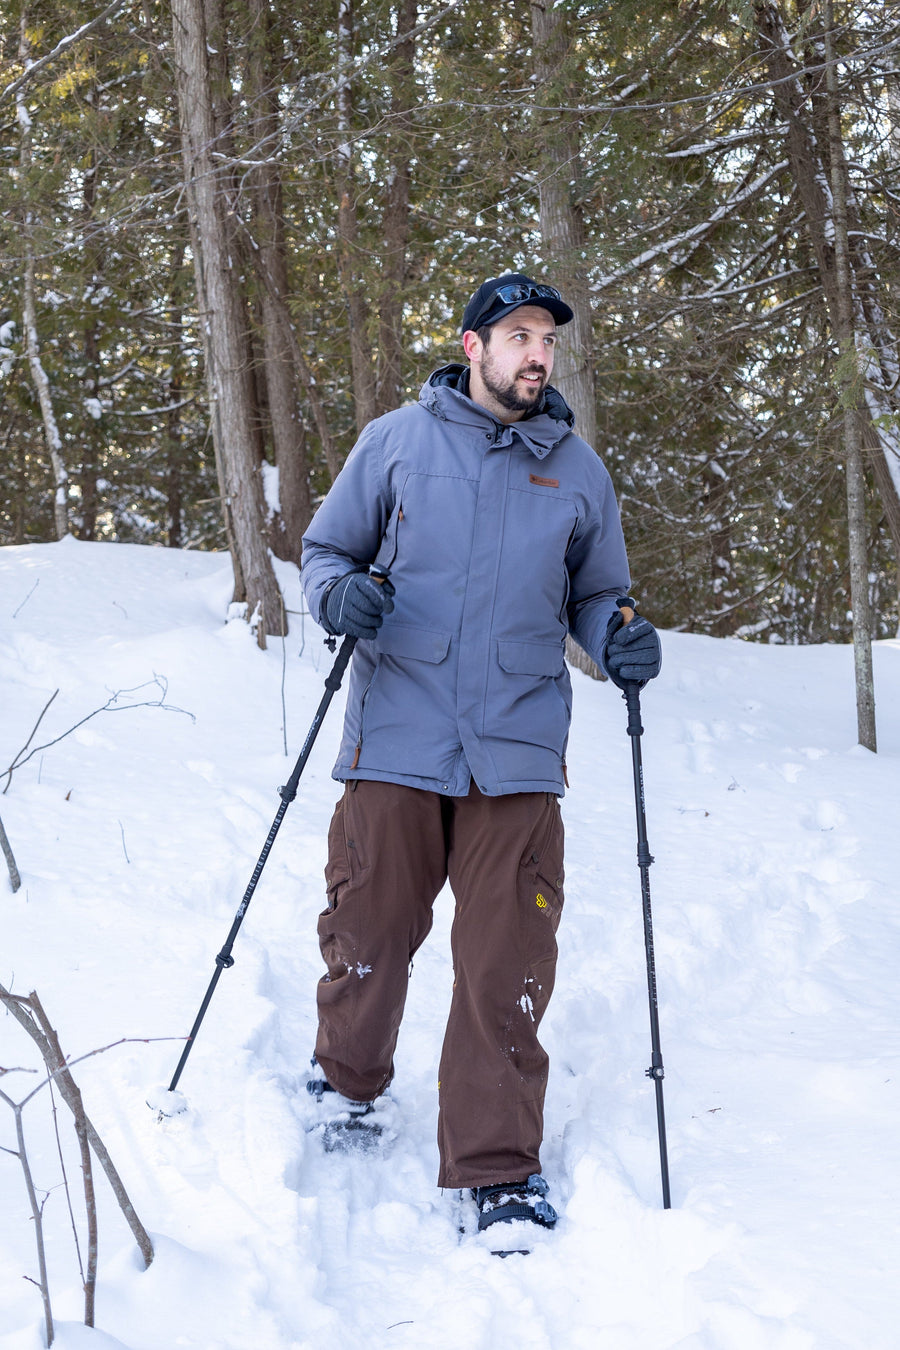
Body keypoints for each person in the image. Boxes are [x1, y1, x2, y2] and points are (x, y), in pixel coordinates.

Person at [299, 273, 661, 1233]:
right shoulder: (396, 443)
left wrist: (618, 631)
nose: (538, 354)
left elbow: (598, 594)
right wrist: (339, 598)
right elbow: (326, 553)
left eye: (547, 339)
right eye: (519, 336)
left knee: (506, 960)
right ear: (474, 348)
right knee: (370, 929)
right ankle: (347, 1077)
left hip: (517, 751)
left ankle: (496, 1163)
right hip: (399, 737)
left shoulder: (578, 471)